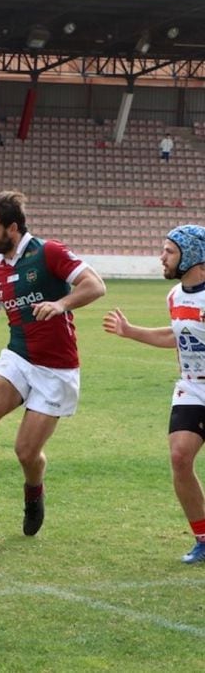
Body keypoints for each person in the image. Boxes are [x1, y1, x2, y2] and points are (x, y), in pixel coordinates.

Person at [0, 190, 106, 536]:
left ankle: (34, 495)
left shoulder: (49, 252)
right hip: (18, 357)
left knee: (26, 452)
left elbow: (95, 286)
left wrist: (61, 304)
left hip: (57, 368)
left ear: (12, 228)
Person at [102, 226, 205, 563]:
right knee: (179, 457)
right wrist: (130, 332)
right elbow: (176, 335)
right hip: (192, 385)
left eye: (169, 251)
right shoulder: (175, 296)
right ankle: (203, 538)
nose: (162, 257)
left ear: (192, 257)